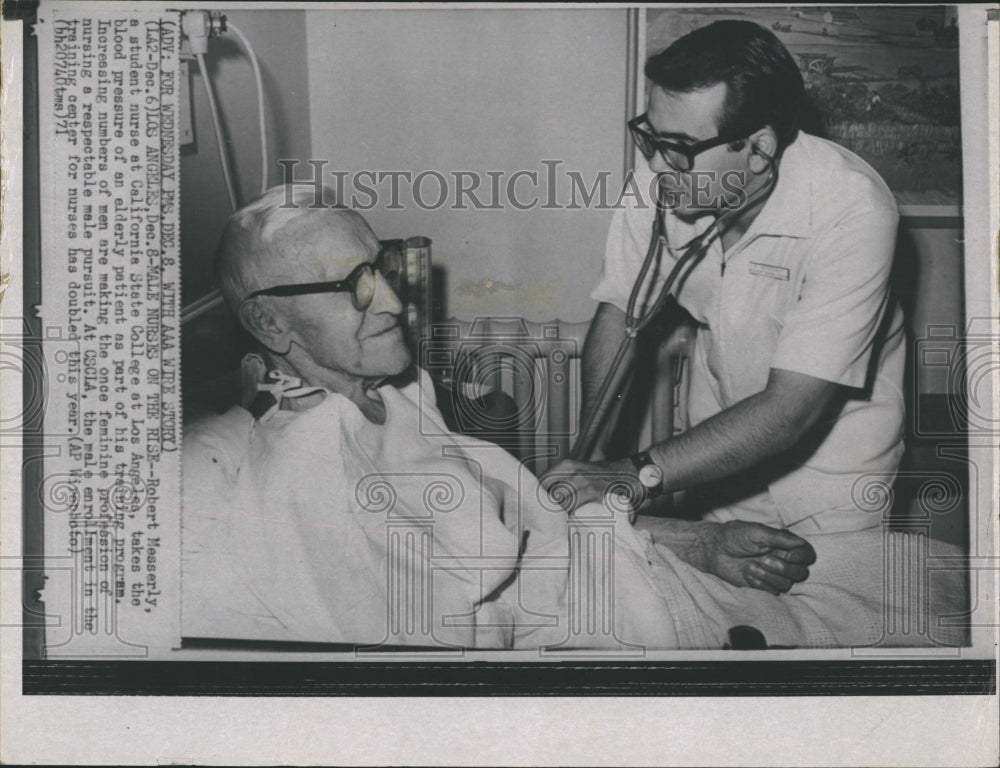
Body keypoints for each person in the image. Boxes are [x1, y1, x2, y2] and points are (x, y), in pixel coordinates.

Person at [541, 20, 966, 646]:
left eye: (677, 146)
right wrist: (591, 458)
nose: (655, 163)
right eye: (649, 136)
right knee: (724, 624)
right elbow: (620, 315)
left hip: (830, 471)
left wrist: (636, 474)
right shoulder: (665, 177)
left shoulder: (851, 210)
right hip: (718, 449)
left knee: (824, 638)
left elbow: (791, 409)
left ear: (759, 149)